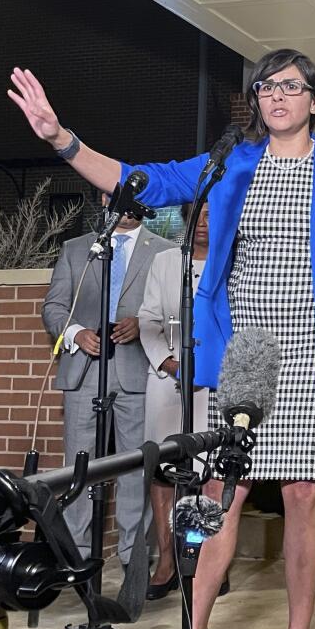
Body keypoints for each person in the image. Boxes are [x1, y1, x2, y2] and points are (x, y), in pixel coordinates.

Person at [9, 48, 315, 629]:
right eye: (266, 86)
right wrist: (58, 136)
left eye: (290, 86)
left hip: (311, 345)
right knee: (222, 493)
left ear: (313, 99)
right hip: (246, 347)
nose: (276, 96)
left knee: (304, 494)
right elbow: (140, 182)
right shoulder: (230, 164)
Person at [41, 195, 170, 572]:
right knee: (78, 467)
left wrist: (145, 324)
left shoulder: (164, 252)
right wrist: (77, 333)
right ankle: (75, 559)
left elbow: (177, 309)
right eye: (116, 199)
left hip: (139, 373)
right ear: (103, 200)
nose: (126, 207)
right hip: (84, 373)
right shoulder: (76, 248)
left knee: (137, 468)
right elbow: (53, 307)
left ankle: (134, 559)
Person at [138, 204, 212, 601]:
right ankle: (166, 560)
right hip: (167, 378)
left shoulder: (232, 260)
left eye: (214, 215)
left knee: (206, 473)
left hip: (213, 382)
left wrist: (207, 369)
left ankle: (203, 561)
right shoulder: (166, 261)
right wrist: (170, 364)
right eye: (199, 214)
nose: (204, 222)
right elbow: (148, 317)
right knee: (163, 470)